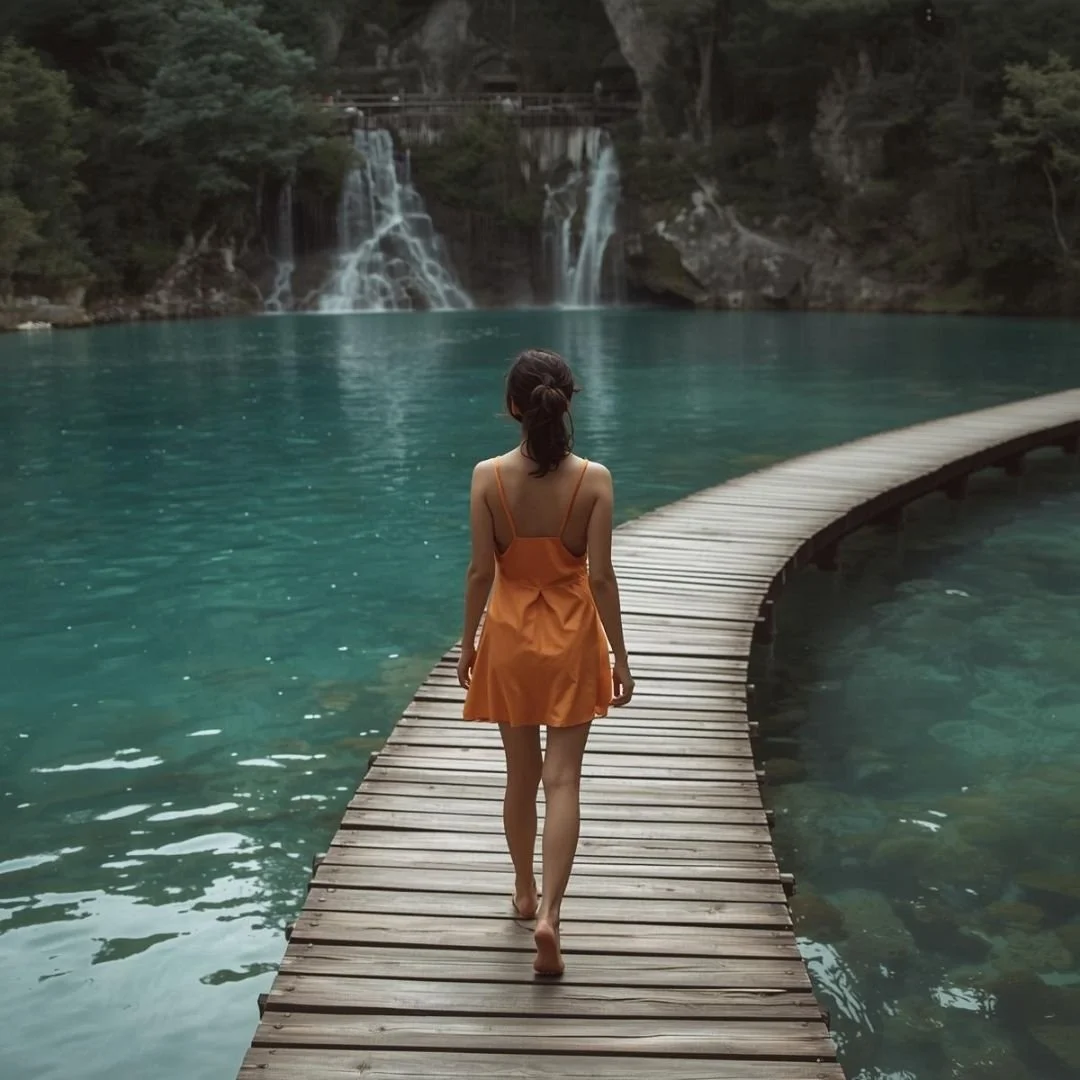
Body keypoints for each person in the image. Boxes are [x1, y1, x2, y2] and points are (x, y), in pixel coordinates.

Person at [457, 348, 635, 976]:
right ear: (567, 403)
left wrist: (468, 643)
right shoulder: (595, 480)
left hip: (508, 637)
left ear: (514, 407)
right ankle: (551, 915)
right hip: (569, 640)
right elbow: (603, 578)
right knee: (564, 780)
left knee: (519, 777)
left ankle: (523, 889)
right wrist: (621, 656)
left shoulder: (486, 478)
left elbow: (482, 572)